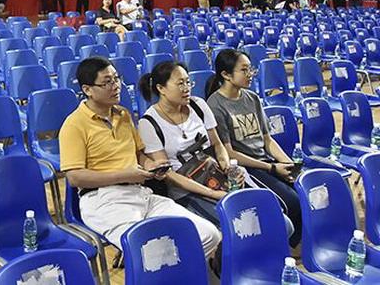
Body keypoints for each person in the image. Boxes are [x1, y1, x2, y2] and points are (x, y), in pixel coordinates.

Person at [59, 57, 221, 263]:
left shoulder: (123, 115)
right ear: (87, 90)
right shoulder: (74, 125)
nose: (116, 86)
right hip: (104, 201)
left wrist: (150, 165)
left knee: (209, 235)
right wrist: (125, 175)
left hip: (140, 193)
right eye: (107, 82)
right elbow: (75, 177)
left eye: (116, 79)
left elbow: (138, 155)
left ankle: (175, 274)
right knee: (155, 254)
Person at [205, 49, 302, 247]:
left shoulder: (252, 98)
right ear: (226, 75)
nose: (250, 74)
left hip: (266, 161)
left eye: (251, 69)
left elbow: (267, 140)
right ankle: (286, 248)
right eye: (244, 70)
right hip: (246, 167)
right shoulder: (215, 105)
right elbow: (229, 153)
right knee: (291, 202)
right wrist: (272, 168)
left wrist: (287, 163)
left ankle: (296, 244)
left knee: (303, 188)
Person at [137, 61, 237, 227]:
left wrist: (228, 169)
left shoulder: (198, 105)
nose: (186, 88)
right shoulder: (148, 123)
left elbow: (217, 144)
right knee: (233, 223)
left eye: (188, 82)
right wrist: (212, 193)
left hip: (216, 177)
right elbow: (168, 174)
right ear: (161, 88)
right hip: (186, 192)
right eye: (180, 83)